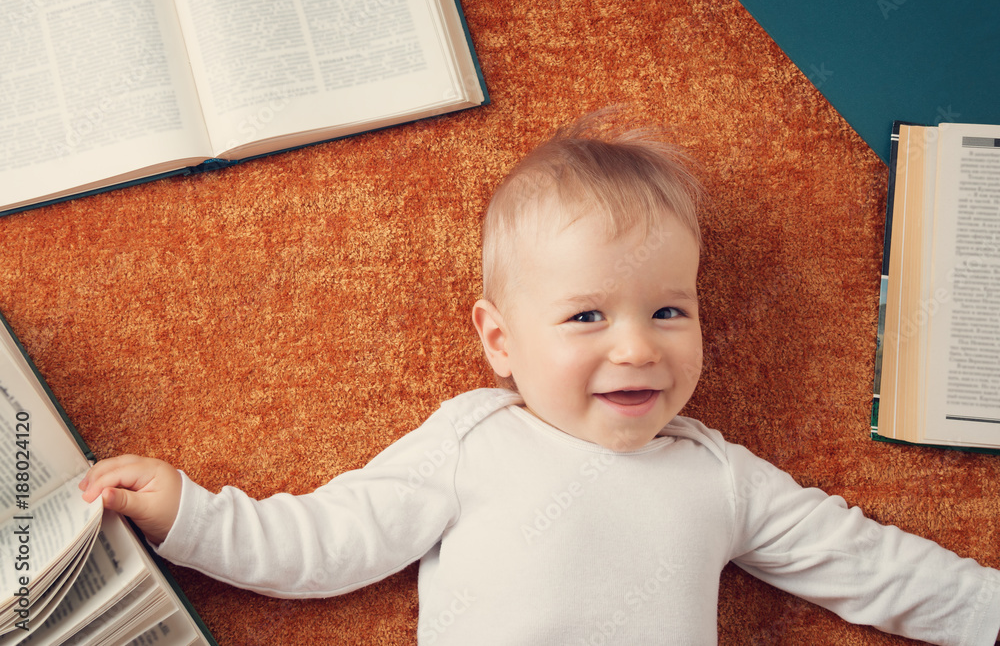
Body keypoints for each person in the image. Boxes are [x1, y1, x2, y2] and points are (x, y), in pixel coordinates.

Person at [80, 116, 1000, 645]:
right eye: (588, 316)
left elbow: (871, 564)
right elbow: (327, 538)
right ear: (500, 340)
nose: (638, 349)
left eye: (668, 311)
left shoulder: (721, 475)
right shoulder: (473, 440)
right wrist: (190, 514)